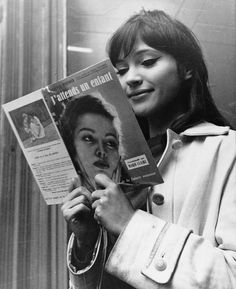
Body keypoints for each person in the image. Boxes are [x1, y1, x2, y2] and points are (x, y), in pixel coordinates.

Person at [61, 9, 236, 289]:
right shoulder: (118, 163)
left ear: (186, 68)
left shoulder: (228, 151)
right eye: (120, 69)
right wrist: (86, 241)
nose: (130, 78)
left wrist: (131, 225)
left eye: (148, 61)